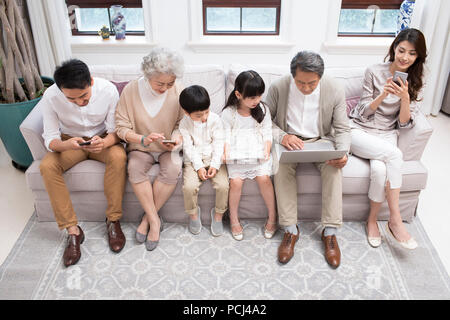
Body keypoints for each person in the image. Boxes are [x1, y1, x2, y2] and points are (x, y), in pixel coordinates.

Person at [266, 51, 350, 268]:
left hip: (320, 140)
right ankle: (290, 230)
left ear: (320, 77)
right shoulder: (278, 87)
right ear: (293, 76)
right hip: (290, 141)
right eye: (300, 82)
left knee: (333, 169)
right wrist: (283, 136)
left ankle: (330, 232)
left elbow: (342, 128)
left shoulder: (335, 89)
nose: (305, 88)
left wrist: (343, 153)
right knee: (281, 168)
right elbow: (265, 121)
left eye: (311, 83)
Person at [39, 59, 127, 267]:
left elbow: (117, 131)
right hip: (70, 142)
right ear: (61, 90)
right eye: (72, 99)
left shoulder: (108, 91)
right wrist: (67, 144)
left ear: (91, 82)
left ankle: (113, 220)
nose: (79, 102)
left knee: (118, 157)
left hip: (102, 139)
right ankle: (73, 231)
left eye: (84, 96)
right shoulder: (50, 96)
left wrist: (105, 142)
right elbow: (50, 137)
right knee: (47, 166)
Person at [349, 28, 427, 250]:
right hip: (360, 131)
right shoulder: (374, 71)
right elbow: (362, 112)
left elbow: (403, 124)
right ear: (393, 48)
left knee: (381, 171)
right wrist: (383, 94)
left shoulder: (414, 81)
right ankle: (395, 220)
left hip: (385, 135)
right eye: (401, 50)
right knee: (395, 155)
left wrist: (405, 98)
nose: (405, 57)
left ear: (417, 57)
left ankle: (372, 221)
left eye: (412, 54)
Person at [115, 47, 184, 251]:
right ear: (147, 75)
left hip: (166, 148)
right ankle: (155, 221)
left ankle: (146, 220)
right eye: (160, 83)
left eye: (169, 83)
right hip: (140, 147)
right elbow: (121, 127)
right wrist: (142, 138)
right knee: (134, 168)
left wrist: (175, 139)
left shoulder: (178, 89)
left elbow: (183, 122)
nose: (165, 88)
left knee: (173, 167)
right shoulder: (130, 90)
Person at [221, 70, 277, 241]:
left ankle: (273, 218)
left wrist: (267, 149)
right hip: (237, 153)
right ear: (238, 94)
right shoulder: (228, 113)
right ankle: (234, 219)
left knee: (264, 179)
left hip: (258, 151)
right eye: (251, 97)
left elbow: (268, 133)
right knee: (236, 183)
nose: (256, 101)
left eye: (259, 96)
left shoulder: (263, 109)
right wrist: (225, 153)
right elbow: (225, 136)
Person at [179, 85, 229, 236]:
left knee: (223, 186)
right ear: (186, 113)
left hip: (214, 157)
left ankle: (218, 215)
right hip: (193, 160)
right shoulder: (184, 124)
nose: (205, 117)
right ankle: (193, 214)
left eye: (207, 111)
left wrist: (214, 164)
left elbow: (219, 143)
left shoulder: (215, 120)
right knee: (189, 187)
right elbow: (188, 148)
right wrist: (199, 167)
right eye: (199, 115)